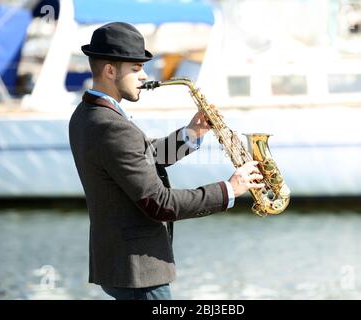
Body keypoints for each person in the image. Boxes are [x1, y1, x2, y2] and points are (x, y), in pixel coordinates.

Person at [69, 22, 264, 300]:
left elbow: (146, 156)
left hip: (121, 265)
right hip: (139, 272)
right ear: (110, 70)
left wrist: (192, 133)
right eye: (136, 68)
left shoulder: (86, 113)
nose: (144, 76)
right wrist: (229, 189)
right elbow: (159, 203)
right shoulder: (111, 126)